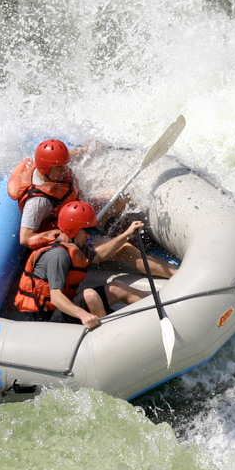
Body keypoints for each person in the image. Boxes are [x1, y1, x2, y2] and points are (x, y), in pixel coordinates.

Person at [13, 202, 152, 331]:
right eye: (87, 231)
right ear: (73, 230)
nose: (89, 236)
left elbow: (98, 256)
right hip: (45, 319)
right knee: (90, 295)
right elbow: (56, 297)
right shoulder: (58, 256)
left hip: (59, 310)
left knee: (117, 287)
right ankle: (110, 335)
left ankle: (161, 308)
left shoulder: (75, 246)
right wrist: (83, 315)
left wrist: (127, 234)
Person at [13, 139, 83, 249]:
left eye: (65, 165)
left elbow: (66, 156)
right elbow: (25, 238)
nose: (65, 170)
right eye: (59, 168)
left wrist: (85, 150)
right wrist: (58, 236)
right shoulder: (39, 202)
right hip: (68, 232)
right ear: (44, 169)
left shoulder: (53, 164)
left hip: (79, 210)